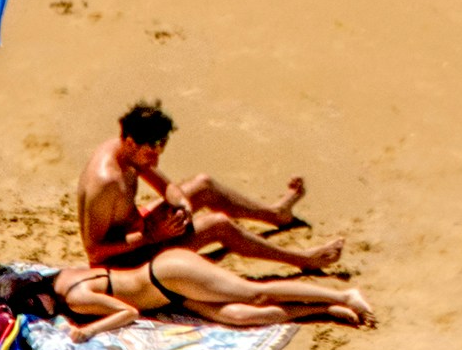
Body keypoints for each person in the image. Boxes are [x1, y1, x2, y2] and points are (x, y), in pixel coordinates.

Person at [80, 102, 318, 271]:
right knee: (219, 225)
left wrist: (182, 205)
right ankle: (302, 260)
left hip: (140, 229)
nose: (155, 162)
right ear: (131, 143)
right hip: (122, 262)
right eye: (150, 154)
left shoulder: (126, 150)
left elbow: (167, 186)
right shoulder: (106, 183)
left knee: (204, 185)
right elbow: (95, 252)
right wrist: (152, 236)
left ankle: (276, 215)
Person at [54, 244, 371, 331]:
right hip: (170, 299)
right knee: (241, 316)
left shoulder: (76, 298)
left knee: (255, 294)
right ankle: (324, 309)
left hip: (167, 275)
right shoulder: (64, 279)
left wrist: (89, 331)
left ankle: (344, 294)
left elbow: (128, 312)